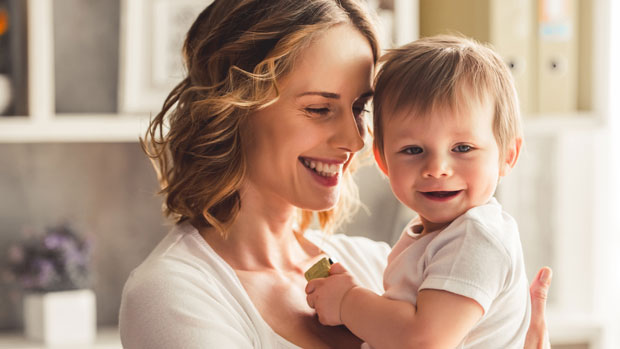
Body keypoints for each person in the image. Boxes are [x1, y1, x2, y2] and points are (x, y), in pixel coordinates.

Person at [119, 1, 552, 348]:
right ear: (234, 109)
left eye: (359, 108)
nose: (356, 138)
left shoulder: (380, 264)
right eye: (319, 109)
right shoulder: (175, 295)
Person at [305, 35, 538, 348]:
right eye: (413, 149)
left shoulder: (476, 237)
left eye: (463, 147)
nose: (437, 168)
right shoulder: (437, 236)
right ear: (383, 159)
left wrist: (348, 301)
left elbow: (423, 340)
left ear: (507, 156)